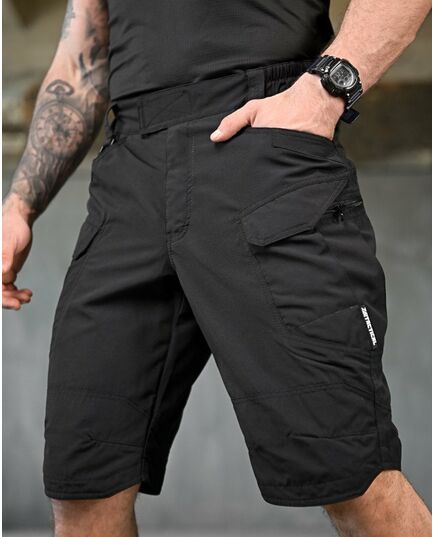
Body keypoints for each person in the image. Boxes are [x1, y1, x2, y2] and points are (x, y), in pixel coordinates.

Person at [2, 0, 431, 535]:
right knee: (83, 483)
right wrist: (19, 205)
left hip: (263, 150)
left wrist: (325, 90)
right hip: (128, 179)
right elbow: (82, 57)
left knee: (351, 475)